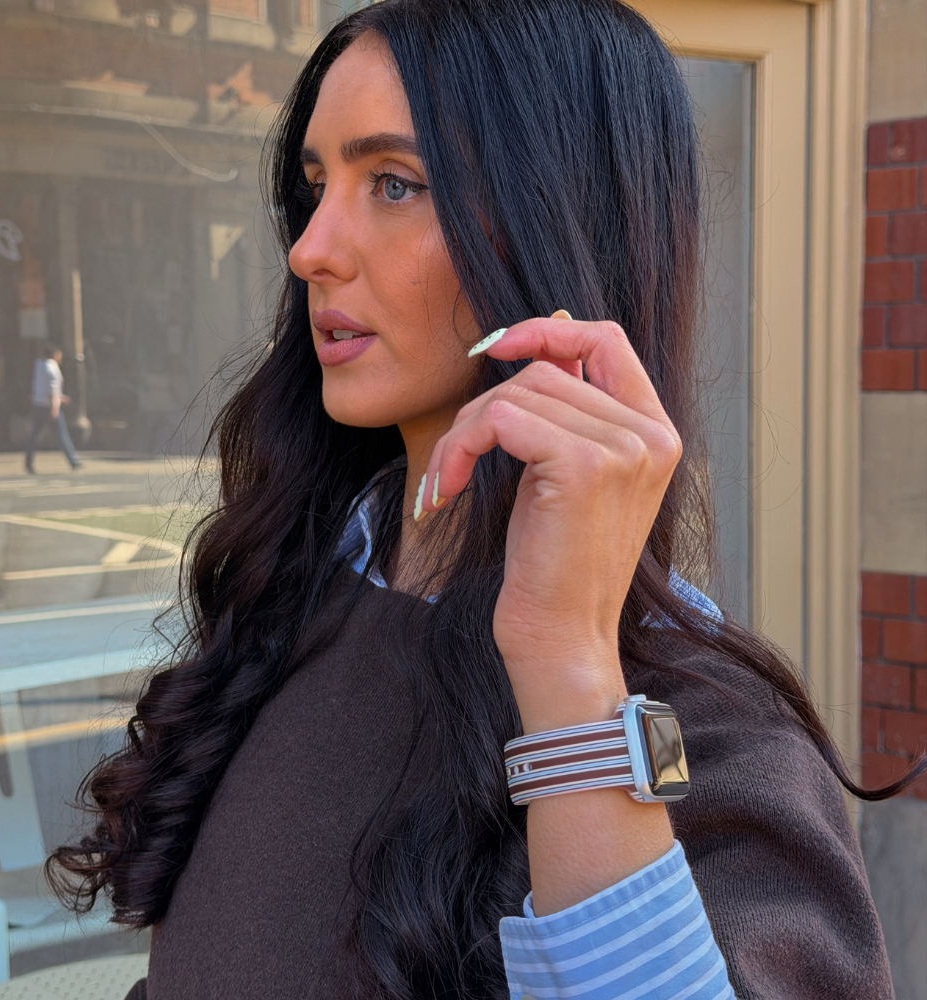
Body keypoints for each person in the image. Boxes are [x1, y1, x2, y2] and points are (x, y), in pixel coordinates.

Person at [50, 2, 923, 998]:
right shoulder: (293, 596)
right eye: (316, 186)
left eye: (394, 183)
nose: (311, 248)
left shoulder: (716, 735)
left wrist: (565, 663)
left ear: (558, 220)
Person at [24, 344, 81, 472]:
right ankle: (73, 460)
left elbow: (42, 386)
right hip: (49, 406)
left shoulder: (39, 365)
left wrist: (60, 397)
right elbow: (52, 389)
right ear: (55, 354)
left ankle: (28, 462)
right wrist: (55, 406)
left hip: (38, 403)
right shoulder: (53, 367)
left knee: (34, 435)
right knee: (61, 434)